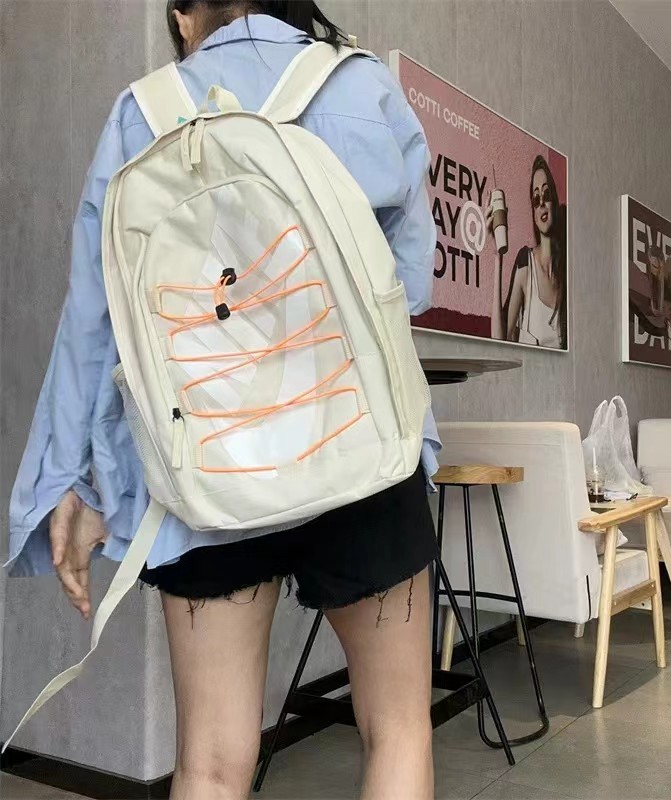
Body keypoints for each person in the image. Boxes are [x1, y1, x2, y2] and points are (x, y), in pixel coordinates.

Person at [6, 3, 440, 799]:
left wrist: (75, 481)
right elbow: (409, 287)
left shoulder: (142, 112)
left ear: (182, 17)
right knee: (399, 728)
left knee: (210, 762)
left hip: (207, 469)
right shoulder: (364, 85)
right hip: (363, 449)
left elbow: (98, 319)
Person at [490, 154, 567, 349]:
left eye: (546, 195)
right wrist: (498, 256)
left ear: (554, 202)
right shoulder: (525, 263)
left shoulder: (568, 271)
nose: (541, 203)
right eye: (535, 198)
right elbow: (500, 340)